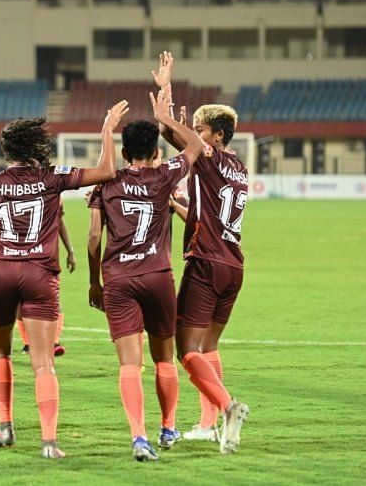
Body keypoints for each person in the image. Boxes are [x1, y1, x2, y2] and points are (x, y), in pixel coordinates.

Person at [0, 101, 129, 459]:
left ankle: (5, 427)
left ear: (7, 150)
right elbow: (107, 171)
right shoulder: (52, 176)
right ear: (37, 146)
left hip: (1, 271)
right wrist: (106, 128)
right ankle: (49, 441)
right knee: (43, 362)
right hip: (39, 273)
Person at [87, 84, 204, 461]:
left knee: (128, 364)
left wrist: (94, 281)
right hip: (158, 276)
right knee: (164, 359)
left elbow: (93, 238)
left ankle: (139, 437)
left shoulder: (105, 182)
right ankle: (168, 427)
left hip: (118, 280)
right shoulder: (164, 175)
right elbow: (196, 147)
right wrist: (166, 118)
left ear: (123, 153)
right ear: (155, 152)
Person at [152, 51, 250, 454]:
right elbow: (203, 209)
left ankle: (228, 407)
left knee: (185, 349)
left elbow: (168, 134)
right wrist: (175, 205)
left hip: (206, 263)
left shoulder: (208, 156)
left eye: (200, 130)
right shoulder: (239, 167)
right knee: (208, 347)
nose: (196, 135)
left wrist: (166, 94)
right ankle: (209, 424)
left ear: (217, 137)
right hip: (233, 265)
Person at [17, 197, 75, 356]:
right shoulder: (16, 190)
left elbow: (60, 222)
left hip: (43, 257)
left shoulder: (54, 193)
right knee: (20, 300)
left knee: (53, 298)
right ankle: (28, 343)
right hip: (24, 254)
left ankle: (54, 342)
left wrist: (70, 250)